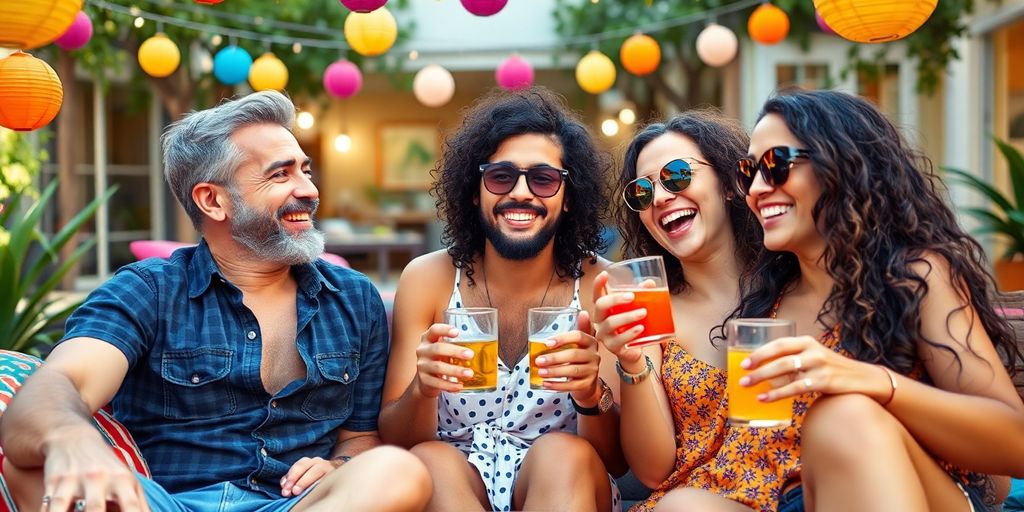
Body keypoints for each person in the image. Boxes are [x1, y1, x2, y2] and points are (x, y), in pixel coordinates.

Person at [0, 90, 431, 512]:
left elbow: (360, 438)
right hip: (164, 503)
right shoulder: (149, 291)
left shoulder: (354, 298)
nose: (309, 190)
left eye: (305, 170)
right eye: (280, 175)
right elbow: (54, 388)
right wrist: (71, 438)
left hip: (296, 505)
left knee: (397, 471)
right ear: (212, 200)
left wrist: (339, 465)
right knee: (32, 469)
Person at [734, 88, 1024, 512]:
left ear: (841, 163)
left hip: (927, 493)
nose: (757, 189)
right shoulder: (766, 306)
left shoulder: (913, 276)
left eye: (776, 165)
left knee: (845, 416)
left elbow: (1014, 443)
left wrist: (877, 384)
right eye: (749, 171)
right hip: (802, 498)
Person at [378, 87, 625, 512]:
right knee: (430, 460)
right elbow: (398, 442)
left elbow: (617, 462)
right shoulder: (428, 279)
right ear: (476, 192)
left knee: (561, 453)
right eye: (501, 176)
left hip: (564, 487)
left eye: (543, 179)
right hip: (455, 485)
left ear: (569, 198)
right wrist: (423, 389)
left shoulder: (602, 285)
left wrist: (590, 394)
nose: (522, 193)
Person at [592, 110, 784, 512]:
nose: (660, 197)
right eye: (642, 193)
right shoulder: (650, 308)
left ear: (730, 184)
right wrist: (630, 362)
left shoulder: (794, 282)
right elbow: (652, 471)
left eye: (677, 175)